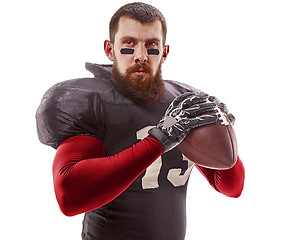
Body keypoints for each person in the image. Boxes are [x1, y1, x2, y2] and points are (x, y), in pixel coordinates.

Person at [36, 2, 245, 240]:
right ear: (109, 49)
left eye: (151, 45)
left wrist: (223, 132)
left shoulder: (183, 104)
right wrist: (159, 140)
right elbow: (69, 195)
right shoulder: (94, 102)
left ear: (164, 52)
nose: (141, 56)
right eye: (129, 44)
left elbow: (231, 187)